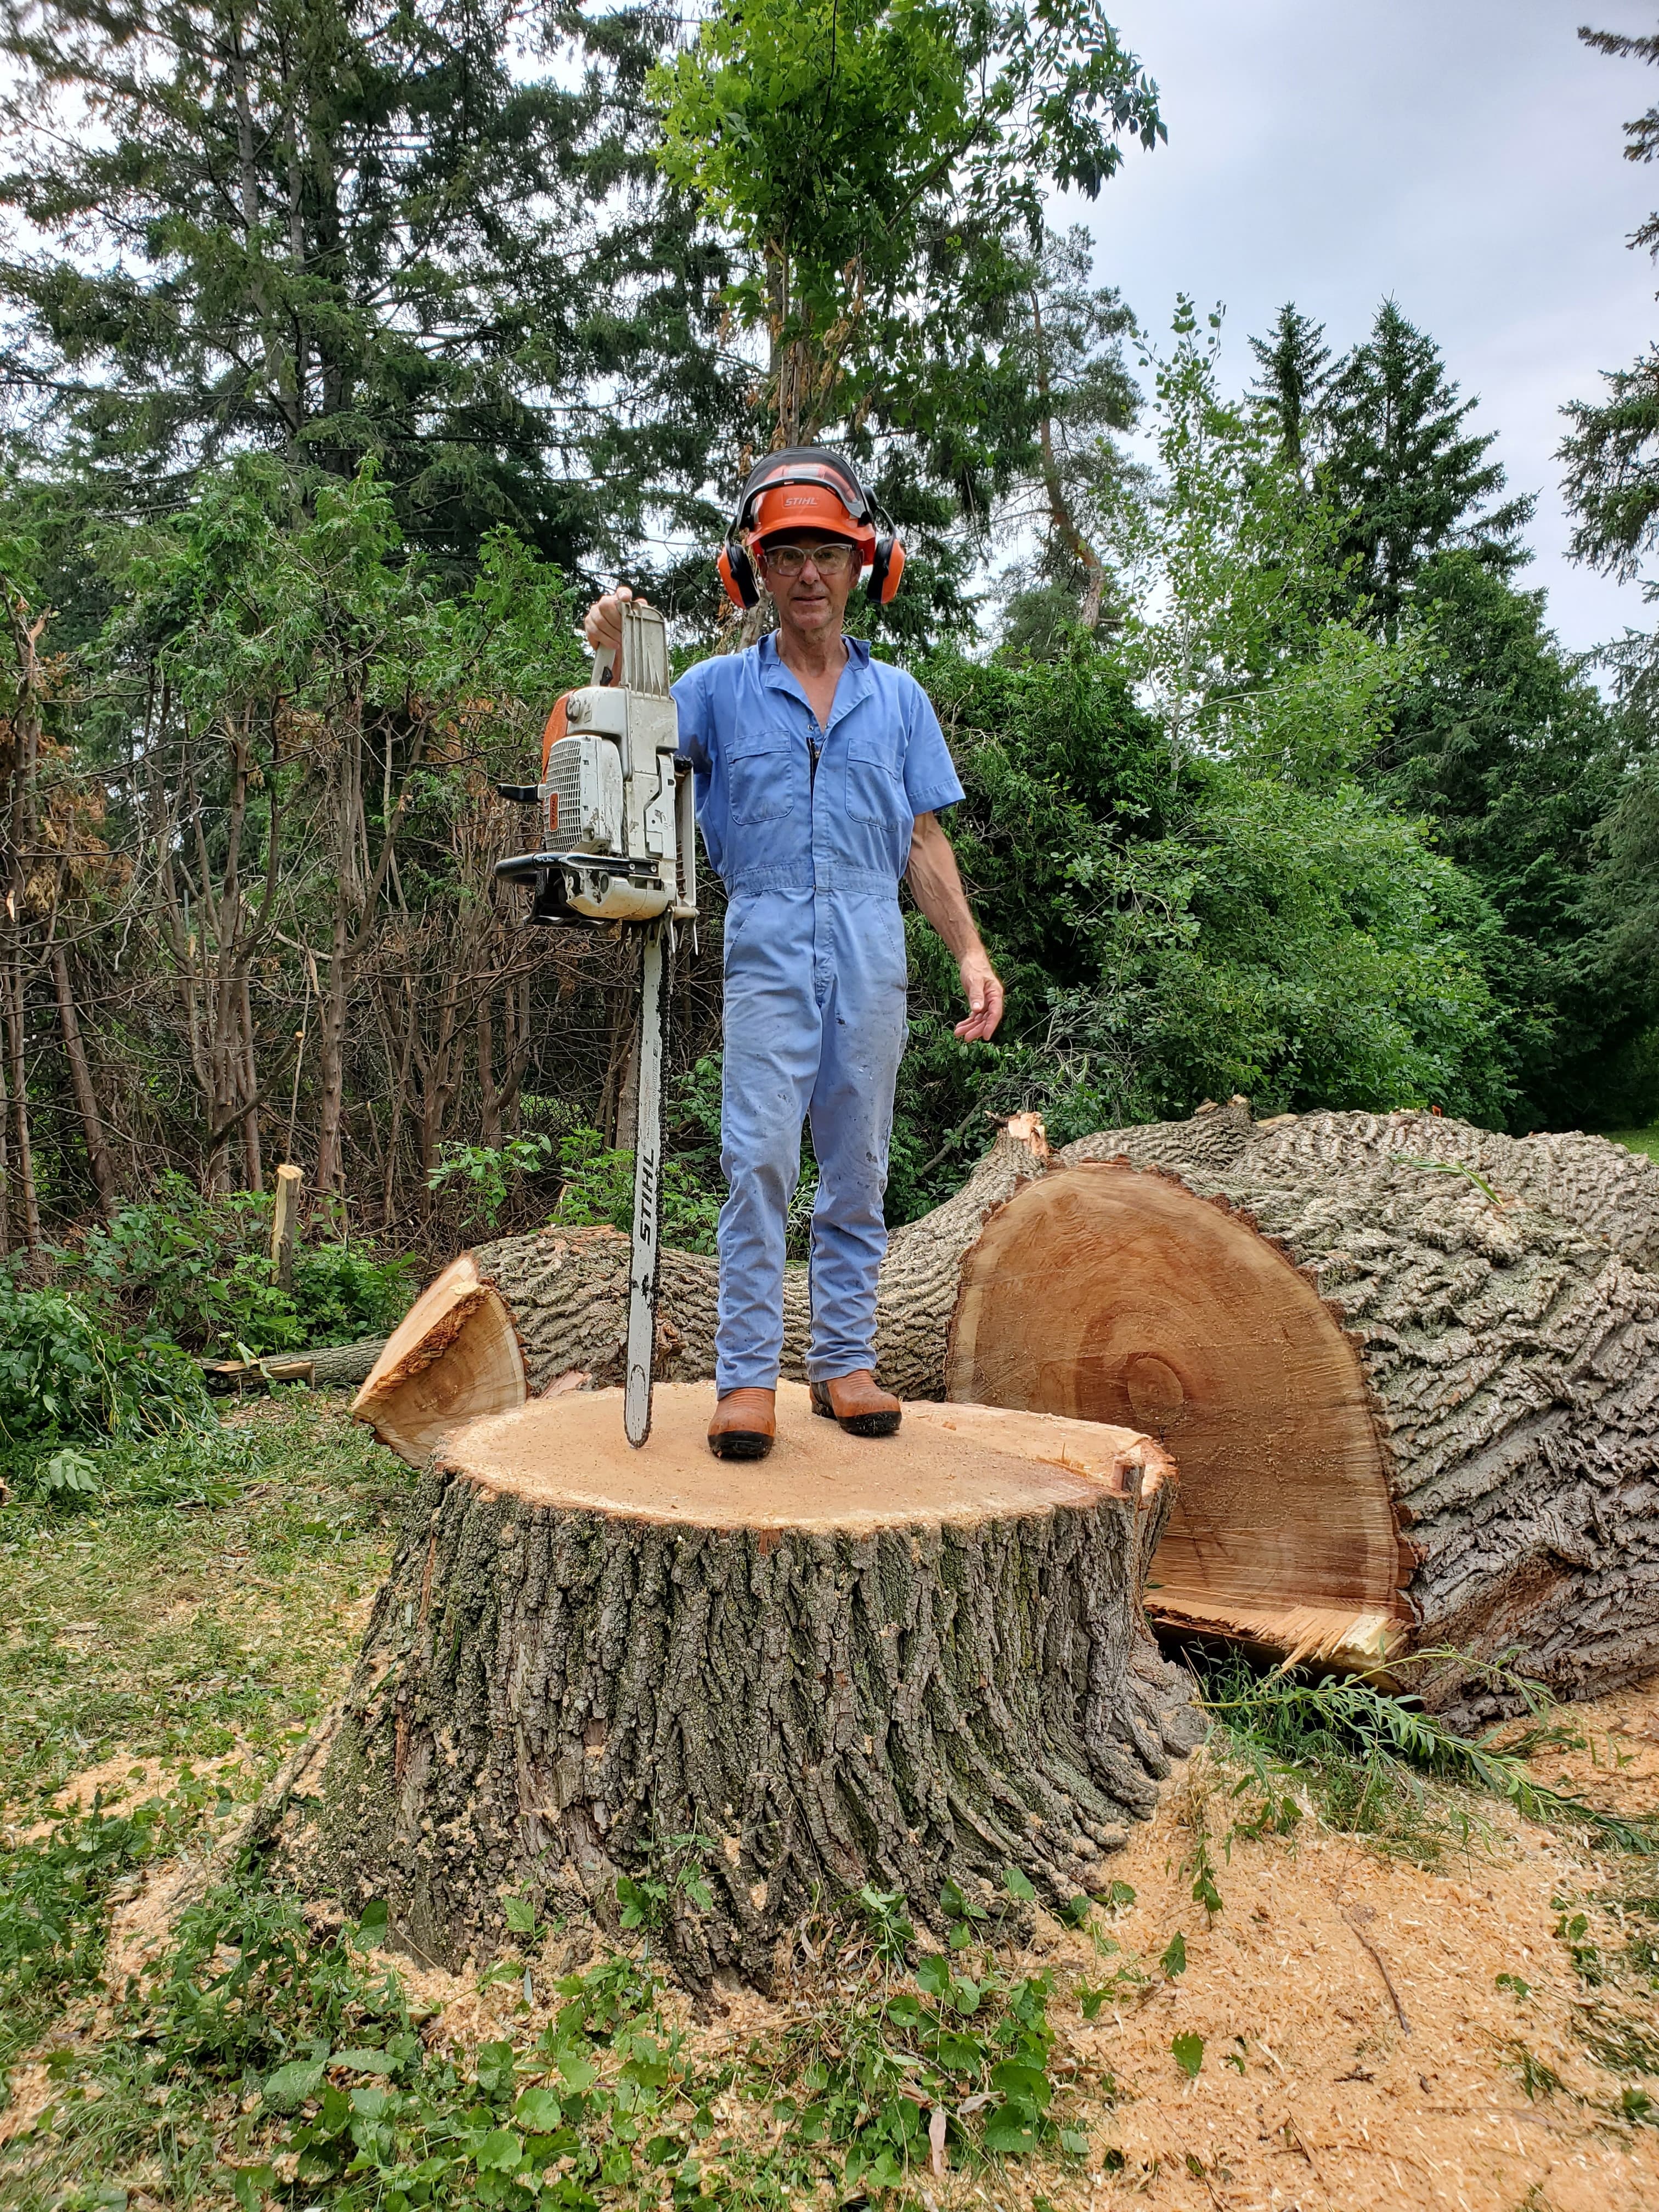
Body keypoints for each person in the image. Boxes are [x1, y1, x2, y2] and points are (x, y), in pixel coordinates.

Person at [584, 450, 1002, 1460]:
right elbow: (625, 746)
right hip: (767, 936)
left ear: (866, 565)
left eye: (826, 552)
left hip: (872, 944)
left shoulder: (898, 699)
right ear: (752, 574)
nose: (808, 573)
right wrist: (610, 656)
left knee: (857, 1165)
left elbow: (923, 840)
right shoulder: (719, 690)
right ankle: (745, 1378)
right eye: (785, 556)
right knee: (760, 1160)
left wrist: (972, 953)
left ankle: (844, 1365)